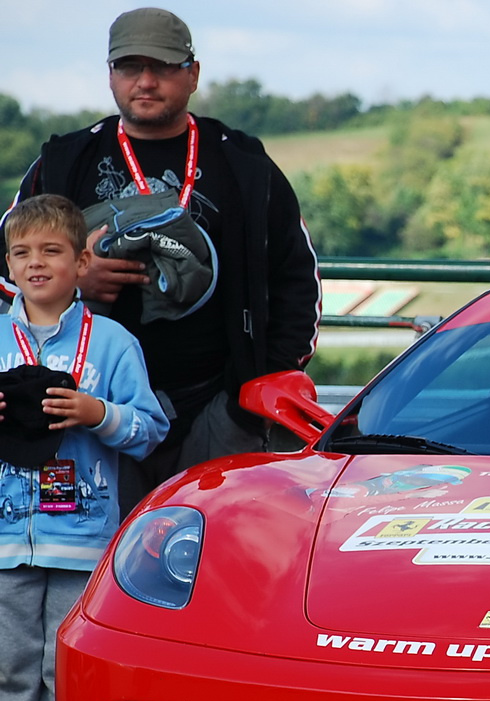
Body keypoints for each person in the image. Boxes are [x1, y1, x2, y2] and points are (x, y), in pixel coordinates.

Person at [5, 8, 319, 509]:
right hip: (92, 404)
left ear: (193, 74)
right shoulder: (65, 162)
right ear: (110, 74)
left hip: (216, 403)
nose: (146, 82)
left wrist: (253, 390)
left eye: (164, 67)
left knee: (213, 554)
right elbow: (8, 266)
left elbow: (297, 279)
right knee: (105, 562)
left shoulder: (242, 164)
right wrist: (74, 281)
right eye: (131, 67)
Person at [0, 195, 168, 701]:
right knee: (7, 662)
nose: (36, 264)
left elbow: (150, 429)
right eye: (22, 253)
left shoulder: (114, 343)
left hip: (83, 535)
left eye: (52, 251)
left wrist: (97, 414)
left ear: (81, 260)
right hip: (4, 537)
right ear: (8, 265)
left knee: (56, 663)